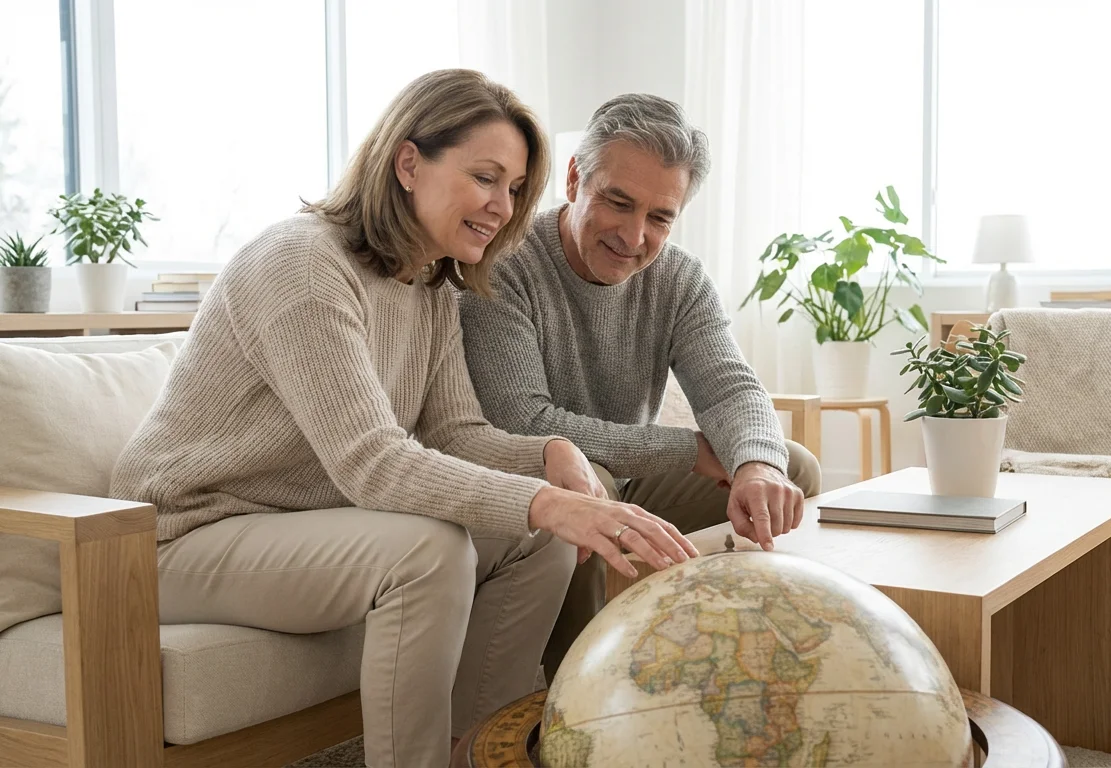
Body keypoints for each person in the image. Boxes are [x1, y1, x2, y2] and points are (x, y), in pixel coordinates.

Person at [108, 70, 697, 768]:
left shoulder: (429, 283)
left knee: (537, 541)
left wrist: (550, 458)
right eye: (486, 178)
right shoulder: (300, 263)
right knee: (430, 554)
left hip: (289, 525)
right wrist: (545, 502)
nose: (502, 207)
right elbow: (372, 460)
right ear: (409, 162)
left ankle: (478, 752)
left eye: (513, 189)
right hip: (180, 536)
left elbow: (455, 433)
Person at [457, 93, 823, 678]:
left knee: (790, 470)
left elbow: (731, 389)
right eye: (617, 202)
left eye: (659, 217)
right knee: (587, 487)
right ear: (576, 178)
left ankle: (732, 664)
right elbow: (521, 419)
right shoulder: (505, 260)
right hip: (535, 477)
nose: (634, 236)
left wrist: (756, 464)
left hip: (628, 475)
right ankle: (572, 687)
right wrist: (687, 449)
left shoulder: (677, 278)